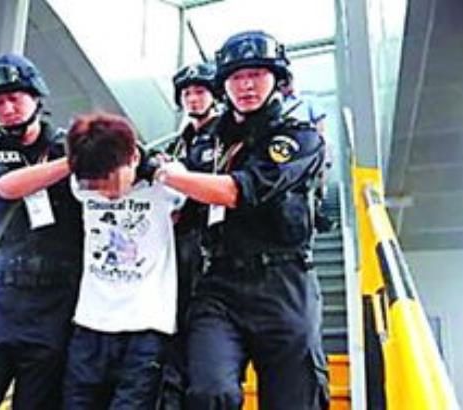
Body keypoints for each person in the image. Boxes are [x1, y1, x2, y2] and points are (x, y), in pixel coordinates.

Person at [154, 31, 330, 409]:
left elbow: (239, 191)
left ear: (277, 79)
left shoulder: (297, 138)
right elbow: (185, 208)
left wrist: (166, 175)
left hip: (283, 282)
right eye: (236, 77)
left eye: (257, 74)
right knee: (208, 392)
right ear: (223, 85)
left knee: (294, 399)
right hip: (219, 284)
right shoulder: (206, 142)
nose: (246, 85)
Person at [0, 53, 84, 410]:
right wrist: (75, 162)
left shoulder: (73, 144)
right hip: (2, 297)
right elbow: (3, 188)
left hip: (59, 300)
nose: (7, 109)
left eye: (14, 98)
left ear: (36, 97)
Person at [62, 112, 186, 409]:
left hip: (146, 326)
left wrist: (160, 169)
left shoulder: (167, 185)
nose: (106, 192)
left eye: (112, 181)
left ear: (133, 158)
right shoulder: (81, 184)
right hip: (90, 323)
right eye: (96, 185)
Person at [160, 62, 221, 410]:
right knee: (174, 329)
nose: (193, 99)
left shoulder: (226, 137)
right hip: (177, 246)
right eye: (186, 94)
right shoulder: (176, 145)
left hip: (212, 245)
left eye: (199, 91)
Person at [278, 72, 336, 232]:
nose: (283, 87)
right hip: (286, 154)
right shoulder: (277, 104)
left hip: (308, 150)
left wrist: (319, 150)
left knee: (311, 185)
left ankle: (315, 210)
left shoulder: (307, 100)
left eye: (285, 83)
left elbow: (320, 126)